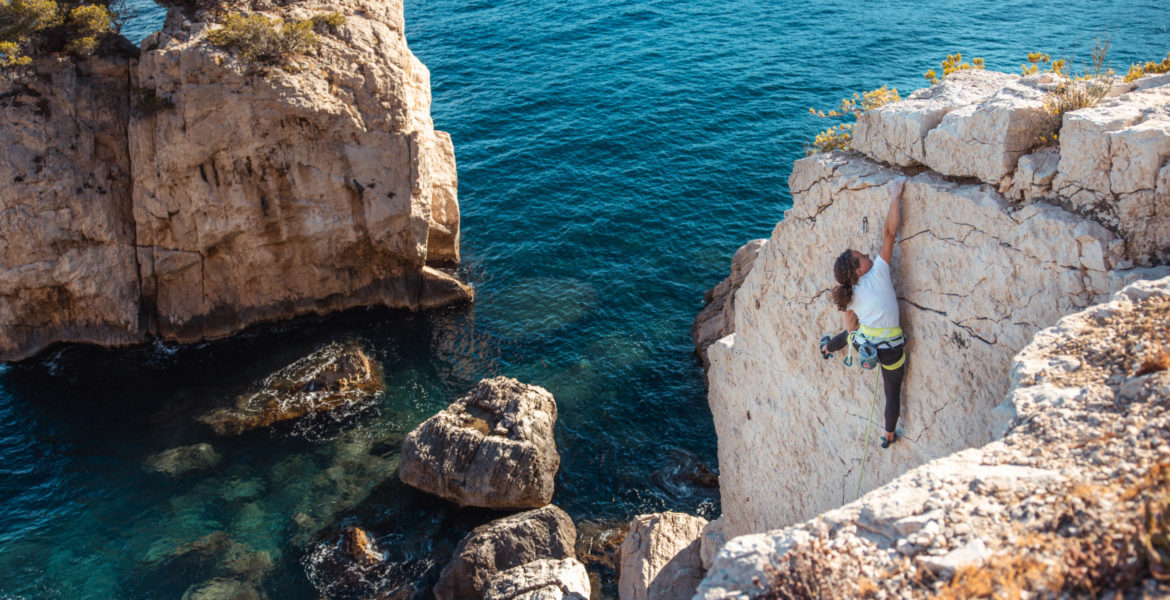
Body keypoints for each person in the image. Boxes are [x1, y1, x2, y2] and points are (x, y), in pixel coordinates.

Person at [820, 177, 907, 449]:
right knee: (891, 392)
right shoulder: (879, 272)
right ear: (860, 270)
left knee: (850, 335)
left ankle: (826, 349)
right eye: (863, 256)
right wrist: (896, 195)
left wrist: (852, 336)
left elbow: (849, 327)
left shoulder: (850, 294)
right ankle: (888, 435)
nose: (869, 254)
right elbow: (890, 233)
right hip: (891, 348)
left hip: (866, 345)